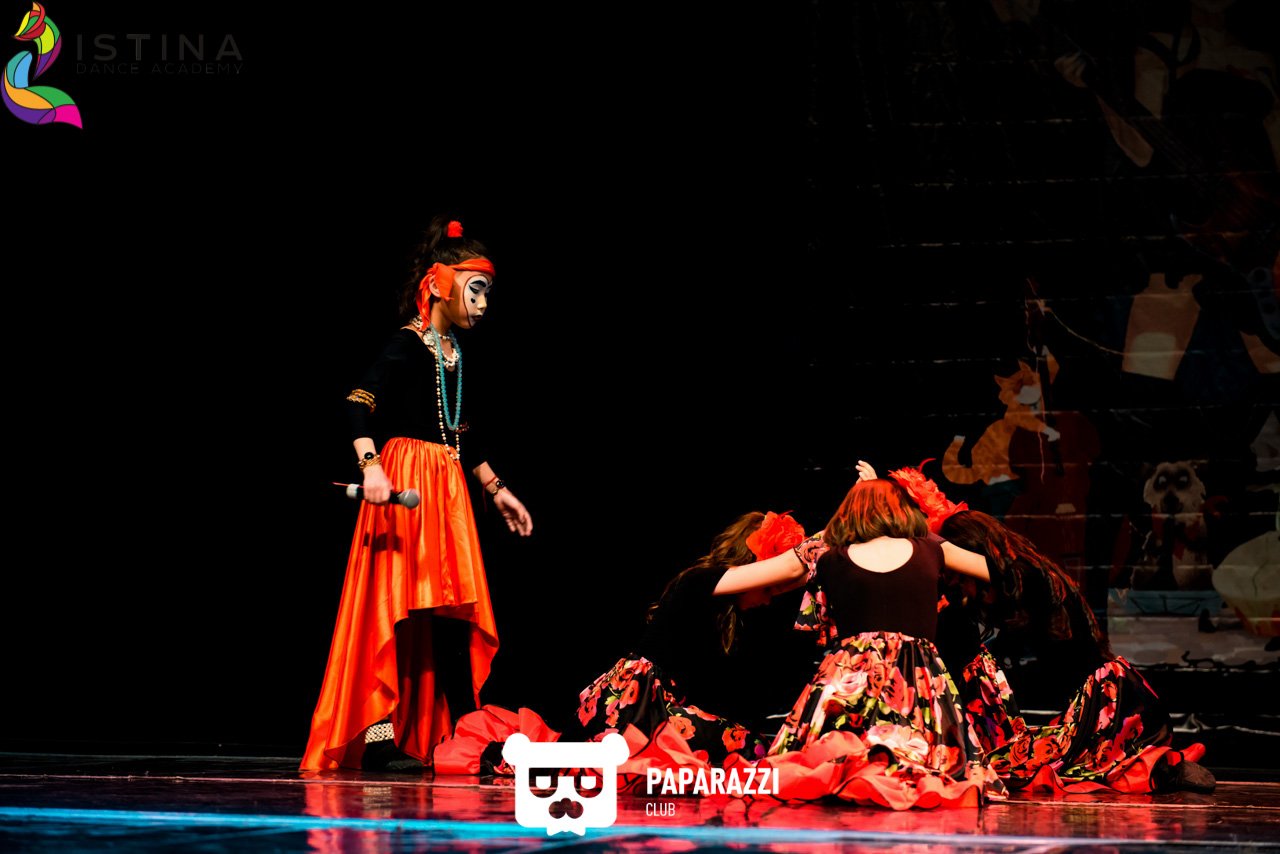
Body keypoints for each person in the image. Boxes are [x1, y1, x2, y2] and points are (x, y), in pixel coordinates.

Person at [301, 216, 533, 773]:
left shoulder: (454, 353)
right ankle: (382, 731)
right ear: (440, 285)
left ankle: (459, 730)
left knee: (449, 608)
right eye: (475, 291)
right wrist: (371, 466)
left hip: (446, 485)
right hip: (411, 478)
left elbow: (461, 432)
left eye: (487, 293)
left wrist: (496, 488)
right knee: (402, 605)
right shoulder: (407, 344)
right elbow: (357, 404)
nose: (483, 304)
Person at [432, 510, 811, 777]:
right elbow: (793, 567)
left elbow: (791, 575)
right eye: (767, 589)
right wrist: (841, 529)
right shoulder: (703, 580)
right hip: (633, 704)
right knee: (745, 749)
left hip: (651, 706)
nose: (769, 598)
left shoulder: (718, 596)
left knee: (739, 746)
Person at [750, 477, 1006, 809]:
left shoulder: (833, 558)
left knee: (832, 747)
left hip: (852, 670)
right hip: (915, 674)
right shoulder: (930, 548)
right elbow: (997, 570)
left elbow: (811, 613)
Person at [938, 509, 1216, 794]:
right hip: (1077, 697)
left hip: (1102, 699)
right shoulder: (1003, 581)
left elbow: (1000, 575)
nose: (957, 585)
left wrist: (934, 549)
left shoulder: (1023, 573)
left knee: (1040, 762)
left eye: (959, 576)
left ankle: (1160, 768)